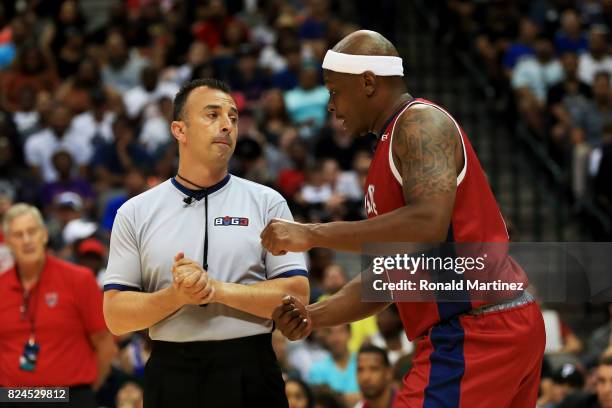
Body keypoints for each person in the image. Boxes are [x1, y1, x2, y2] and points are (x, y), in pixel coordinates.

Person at [262, 30, 545, 406]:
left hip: (475, 331)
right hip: (491, 327)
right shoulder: (389, 148)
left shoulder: (419, 124)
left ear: (367, 82)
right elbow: (390, 277)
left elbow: (426, 225)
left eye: (335, 91)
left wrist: (312, 233)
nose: (331, 105)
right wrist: (314, 315)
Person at [102, 78, 309, 407]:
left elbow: (297, 294)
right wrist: (176, 295)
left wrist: (215, 290)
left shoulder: (267, 202)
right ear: (179, 130)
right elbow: (115, 316)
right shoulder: (135, 212)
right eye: (212, 115)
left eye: (233, 117)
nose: (227, 125)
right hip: (171, 372)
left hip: (251, 367)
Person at [0, 203, 117, 407]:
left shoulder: (79, 280)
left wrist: (86, 391)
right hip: (13, 398)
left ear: (44, 235)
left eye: (32, 231)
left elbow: (104, 343)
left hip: (70, 397)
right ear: (8, 242)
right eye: (18, 235)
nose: (27, 240)